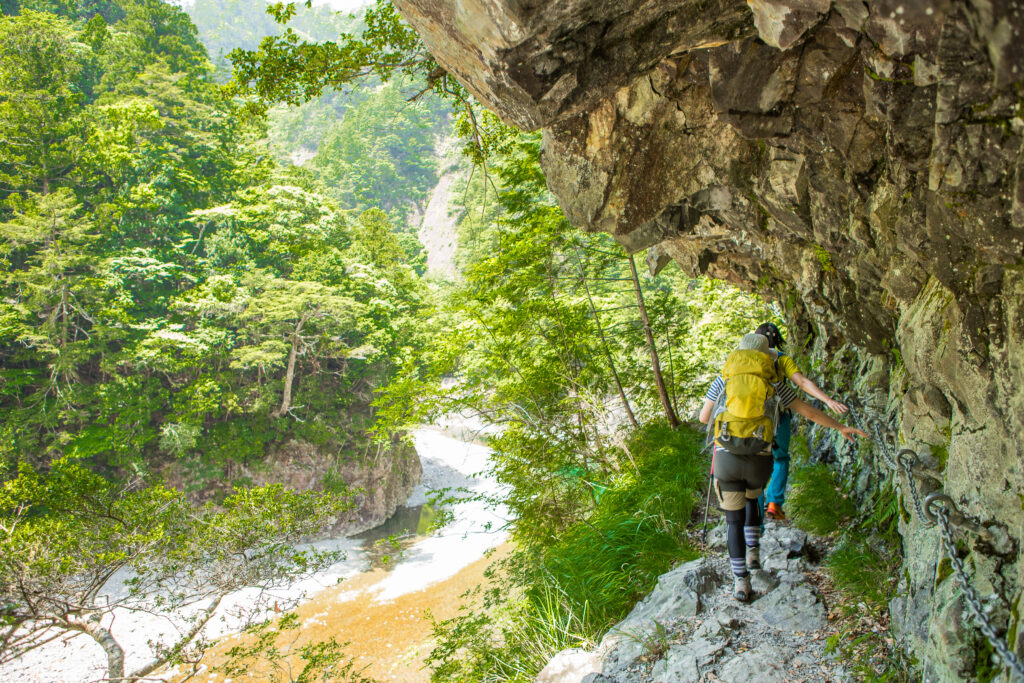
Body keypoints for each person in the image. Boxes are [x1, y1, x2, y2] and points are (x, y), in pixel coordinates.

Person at [699, 333, 867, 602]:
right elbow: (807, 411)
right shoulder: (775, 383)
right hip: (759, 458)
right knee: (753, 502)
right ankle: (754, 554)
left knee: (733, 520)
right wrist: (840, 427)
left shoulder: (724, 379)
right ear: (767, 356)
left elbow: (704, 417)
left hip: (726, 458)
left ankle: (741, 583)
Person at [753, 322, 848, 521]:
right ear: (777, 340)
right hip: (780, 417)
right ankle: (774, 503)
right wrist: (828, 400)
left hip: (753, 422)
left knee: (757, 466)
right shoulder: (782, 359)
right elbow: (802, 382)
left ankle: (756, 518)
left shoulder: (748, 363)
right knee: (781, 459)